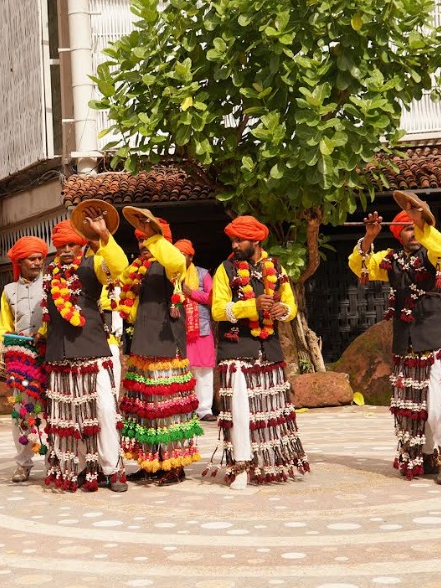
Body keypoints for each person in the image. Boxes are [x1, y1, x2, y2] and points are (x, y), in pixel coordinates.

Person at [348, 193, 441, 485]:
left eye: (416, 227)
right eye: (407, 228)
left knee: (439, 403)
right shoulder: (390, 259)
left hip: (438, 338)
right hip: (407, 341)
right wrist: (368, 238)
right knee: (415, 405)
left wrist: (423, 221)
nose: (413, 233)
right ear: (398, 234)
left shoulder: (434, 253)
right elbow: (359, 266)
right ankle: (424, 456)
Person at [208, 215, 309, 490]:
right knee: (240, 412)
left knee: (270, 410)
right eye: (233, 239)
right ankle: (241, 465)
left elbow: (290, 306)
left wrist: (282, 310)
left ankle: (269, 464)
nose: (235, 244)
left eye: (239, 239)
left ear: (256, 240)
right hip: (236, 350)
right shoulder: (225, 269)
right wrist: (250, 306)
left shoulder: (276, 267)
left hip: (269, 351)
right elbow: (217, 309)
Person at [39, 205, 128, 493]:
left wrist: (103, 235)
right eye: (61, 246)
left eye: (72, 245)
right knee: (68, 418)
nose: (66, 251)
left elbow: (119, 268)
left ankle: (112, 470)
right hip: (60, 357)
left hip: (93, 353)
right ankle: (78, 470)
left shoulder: (94, 266)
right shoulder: (49, 275)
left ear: (80, 246)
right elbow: (47, 318)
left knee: (103, 410)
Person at [118, 209, 202, 486]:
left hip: (166, 348)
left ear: (160, 241)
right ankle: (150, 463)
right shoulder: (138, 269)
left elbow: (175, 257)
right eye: (139, 241)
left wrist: (156, 236)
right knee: (145, 410)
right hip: (142, 347)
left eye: (148, 240)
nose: (142, 245)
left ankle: (173, 465)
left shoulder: (172, 266)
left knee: (167, 410)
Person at [0, 235, 49, 483]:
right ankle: (23, 463)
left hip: (50, 353)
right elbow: (4, 326)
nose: (37, 262)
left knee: (53, 410)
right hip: (22, 358)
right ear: (20, 262)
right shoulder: (9, 291)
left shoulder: (52, 285)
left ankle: (55, 460)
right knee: (22, 411)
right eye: (32, 258)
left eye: (40, 258)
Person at [175, 239, 217, 422]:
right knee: (183, 370)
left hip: (201, 329)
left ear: (190, 257)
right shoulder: (170, 274)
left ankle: (204, 409)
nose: (178, 257)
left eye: (182, 254)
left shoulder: (203, 274)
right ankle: (185, 408)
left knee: (204, 369)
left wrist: (191, 293)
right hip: (178, 329)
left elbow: (213, 297)